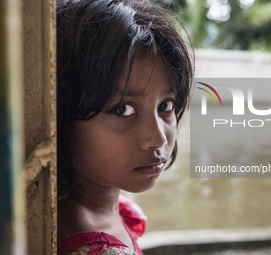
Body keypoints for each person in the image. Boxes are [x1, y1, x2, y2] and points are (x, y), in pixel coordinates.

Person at [56, 0, 193, 254]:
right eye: (123, 110)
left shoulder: (96, 209)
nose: (158, 138)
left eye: (166, 105)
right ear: (61, 114)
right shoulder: (93, 246)